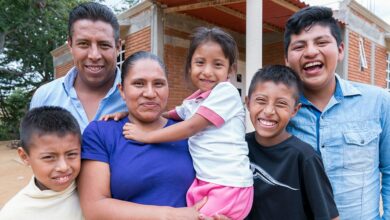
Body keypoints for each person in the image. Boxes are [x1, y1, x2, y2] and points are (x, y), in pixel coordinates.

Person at [121, 27, 253, 220]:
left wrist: (146, 136)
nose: (207, 72)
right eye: (200, 63)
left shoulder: (226, 93)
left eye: (217, 65)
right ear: (190, 66)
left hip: (229, 184)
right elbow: (166, 114)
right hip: (206, 182)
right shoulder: (194, 102)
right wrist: (131, 112)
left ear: (230, 70)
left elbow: (190, 126)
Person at [80, 51, 227, 220]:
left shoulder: (192, 133)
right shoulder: (102, 132)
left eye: (158, 84)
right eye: (139, 84)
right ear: (122, 90)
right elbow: (95, 208)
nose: (150, 93)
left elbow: (224, 179)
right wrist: (172, 215)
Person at [284, 6, 390, 219]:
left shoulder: (378, 102)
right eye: (299, 46)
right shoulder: (280, 113)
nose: (311, 51)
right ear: (287, 59)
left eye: (321, 42)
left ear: (340, 50)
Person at [244, 65, 339, 220]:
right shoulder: (238, 148)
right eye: (261, 100)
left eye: (281, 103)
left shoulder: (305, 157)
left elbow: (329, 216)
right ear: (248, 103)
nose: (268, 111)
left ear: (295, 110)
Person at [30, 2, 127, 132]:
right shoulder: (45, 97)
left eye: (104, 45)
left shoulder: (141, 98)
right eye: (83, 44)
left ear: (118, 46)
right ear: (70, 45)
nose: (94, 55)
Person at [0, 106, 83, 220]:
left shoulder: (95, 190)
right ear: (25, 157)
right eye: (49, 157)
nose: (63, 167)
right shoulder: (14, 214)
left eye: (72, 154)